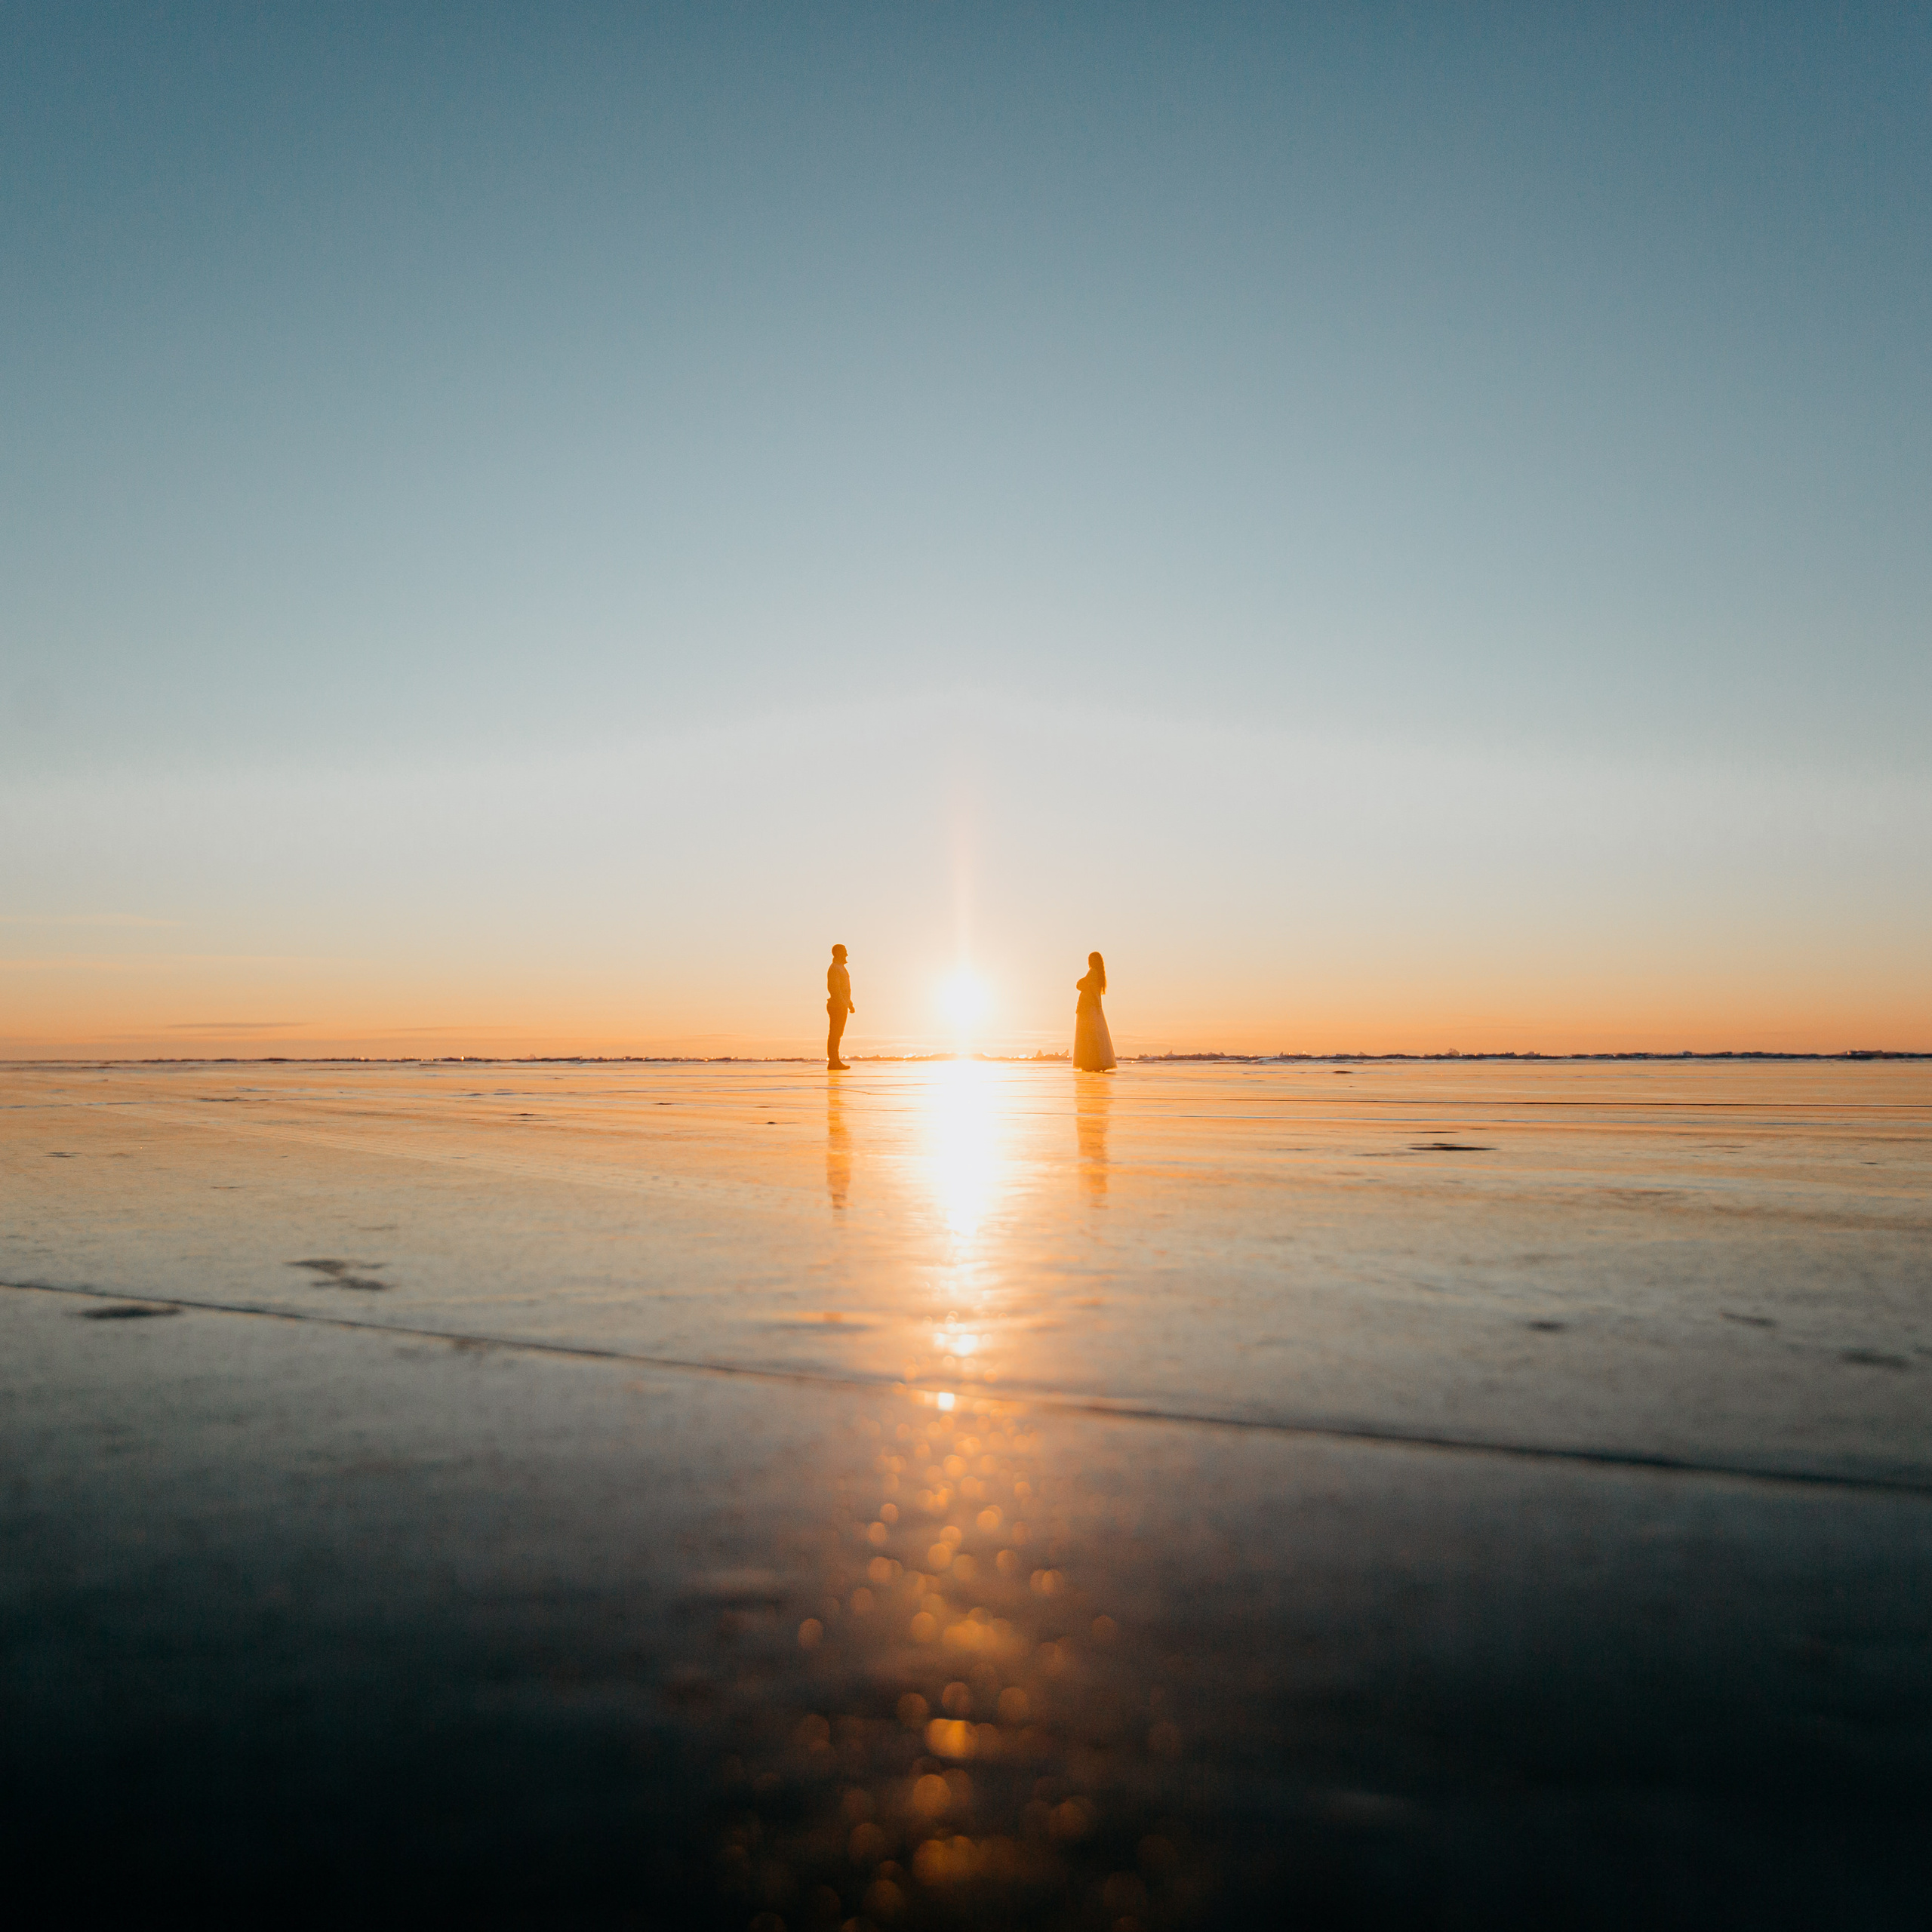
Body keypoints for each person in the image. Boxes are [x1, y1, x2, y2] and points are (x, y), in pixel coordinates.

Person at [1073, 951, 1115, 1072]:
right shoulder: (1099, 975)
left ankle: (1090, 1062)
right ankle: (1095, 1061)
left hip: (1087, 1007)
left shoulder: (1092, 973)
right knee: (1094, 1035)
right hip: (1092, 1006)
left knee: (1088, 1035)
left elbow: (1082, 986)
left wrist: (1080, 983)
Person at [826, 944, 854, 1070]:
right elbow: (835, 989)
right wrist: (843, 1004)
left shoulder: (841, 968)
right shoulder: (835, 968)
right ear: (838, 953)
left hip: (841, 1005)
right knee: (835, 1034)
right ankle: (833, 1061)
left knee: (838, 1034)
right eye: (844, 952)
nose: (847, 955)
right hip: (836, 1005)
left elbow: (844, 990)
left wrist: (849, 1004)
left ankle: (835, 1060)